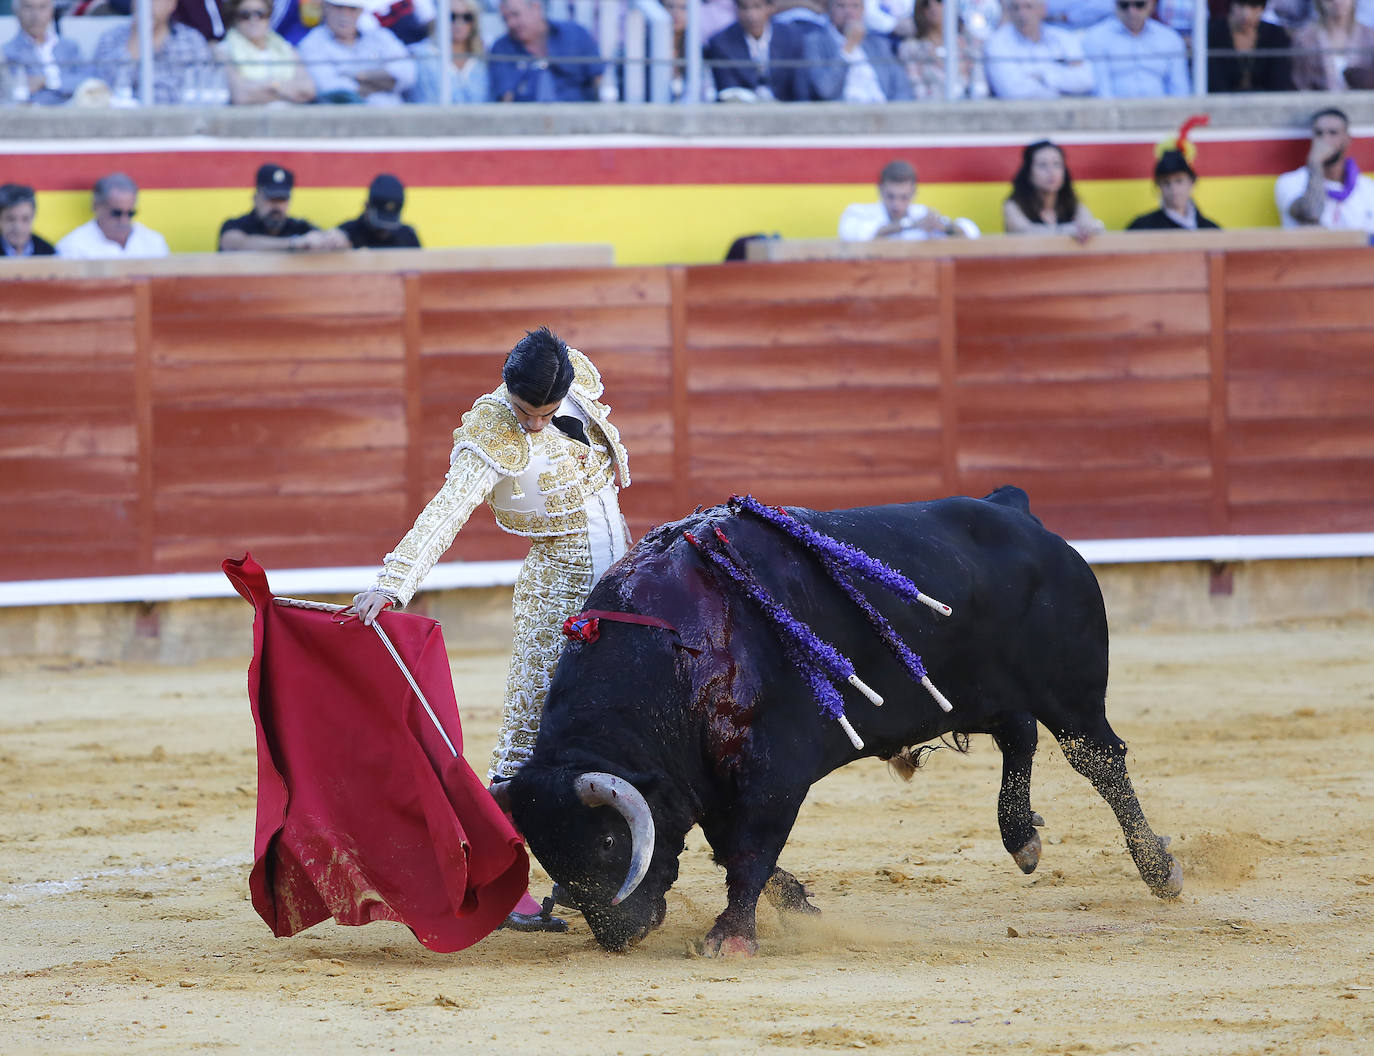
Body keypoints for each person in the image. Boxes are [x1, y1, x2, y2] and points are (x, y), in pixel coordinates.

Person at [351, 327, 632, 932]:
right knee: (527, 732)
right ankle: (497, 877)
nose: (533, 424)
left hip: (624, 582)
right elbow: (447, 511)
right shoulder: (490, 432)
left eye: (546, 413)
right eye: (525, 412)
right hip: (557, 586)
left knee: (612, 721)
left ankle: (583, 858)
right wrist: (394, 582)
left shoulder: (577, 377)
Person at [90, 0, 226, 105]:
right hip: (124, 125)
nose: (147, 4)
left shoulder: (191, 40)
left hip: (180, 126)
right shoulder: (111, 38)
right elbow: (103, 91)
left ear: (172, 4)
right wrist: (139, 35)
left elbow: (203, 92)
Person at [1275, 107, 1374, 233]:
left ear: (1347, 139)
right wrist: (1315, 162)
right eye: (1319, 133)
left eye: (1333, 133)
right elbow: (1311, 214)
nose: (1325, 139)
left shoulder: (1368, 188)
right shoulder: (1290, 182)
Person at [298, 0, 416, 105]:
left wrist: (357, 76)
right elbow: (331, 89)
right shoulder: (312, 43)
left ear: (360, 11)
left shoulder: (379, 35)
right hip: (345, 122)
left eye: (352, 9)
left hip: (395, 117)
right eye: (338, 7)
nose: (344, 15)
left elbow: (407, 74)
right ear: (326, 7)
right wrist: (381, 81)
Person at [488, 0, 603, 102]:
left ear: (536, 8)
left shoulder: (576, 34)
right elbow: (506, 97)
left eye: (515, 14)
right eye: (505, 19)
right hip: (527, 121)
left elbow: (599, 81)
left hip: (579, 119)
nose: (510, 23)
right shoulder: (501, 48)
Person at [838, 159, 979, 241]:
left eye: (904, 197)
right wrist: (910, 224)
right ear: (880, 190)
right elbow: (854, 233)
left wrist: (946, 227)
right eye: (890, 196)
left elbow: (972, 233)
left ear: (914, 194)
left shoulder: (922, 214)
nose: (896, 204)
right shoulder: (858, 212)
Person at [218, 163, 349, 252]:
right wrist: (293, 243)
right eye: (271, 199)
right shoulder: (236, 225)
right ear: (255, 198)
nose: (277, 205)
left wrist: (335, 240)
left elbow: (325, 242)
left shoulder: (300, 227)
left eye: (282, 199)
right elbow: (233, 244)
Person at [801, 0, 914, 101]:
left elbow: (902, 88)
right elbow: (825, 90)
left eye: (855, 6)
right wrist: (847, 48)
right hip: (844, 116)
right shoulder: (815, 42)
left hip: (884, 114)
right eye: (841, 6)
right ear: (829, 10)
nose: (849, 12)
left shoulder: (878, 43)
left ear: (863, 10)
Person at [984, 0, 1096, 99]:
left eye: (1028, 7)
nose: (1022, 14)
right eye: (1016, 8)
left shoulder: (1063, 38)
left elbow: (1087, 80)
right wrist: (1062, 91)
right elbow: (1013, 92)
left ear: (1043, 9)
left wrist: (1043, 77)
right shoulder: (997, 43)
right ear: (1009, 12)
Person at [703, 0, 809, 102]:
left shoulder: (791, 38)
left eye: (757, 6)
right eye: (744, 8)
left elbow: (800, 90)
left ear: (771, 8)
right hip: (741, 115)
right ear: (736, 9)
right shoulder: (721, 42)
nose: (751, 15)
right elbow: (728, 91)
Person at [1081, 0, 1190, 97]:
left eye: (1139, 4)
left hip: (1163, 113)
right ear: (1115, 5)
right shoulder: (1096, 37)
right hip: (1115, 114)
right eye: (1124, 5)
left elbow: (1179, 88)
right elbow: (1101, 89)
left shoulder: (1170, 38)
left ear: (1152, 4)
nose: (1132, 12)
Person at [1002, 140, 1103, 242]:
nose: (1051, 172)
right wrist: (1067, 231)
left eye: (1056, 164)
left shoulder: (1072, 202)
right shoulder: (1014, 204)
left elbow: (1089, 226)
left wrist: (1088, 229)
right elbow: (1024, 232)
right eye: (1042, 165)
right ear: (1028, 173)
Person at [217, 0, 317, 104]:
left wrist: (273, 85)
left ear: (269, 17)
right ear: (235, 18)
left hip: (290, 117)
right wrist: (287, 90)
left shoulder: (286, 48)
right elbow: (241, 96)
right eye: (245, 15)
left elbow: (308, 91)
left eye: (260, 14)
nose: (253, 20)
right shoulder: (224, 51)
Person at [56, 173, 171, 260]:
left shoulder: (154, 242)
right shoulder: (72, 247)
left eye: (130, 213)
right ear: (97, 206)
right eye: (117, 213)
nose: (124, 220)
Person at [898, 0, 989, 101]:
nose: (933, 6)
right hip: (929, 112)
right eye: (926, 3)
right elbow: (916, 90)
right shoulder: (910, 48)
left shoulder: (969, 44)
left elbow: (980, 87)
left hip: (970, 111)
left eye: (939, 1)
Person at [3, 0, 86, 105]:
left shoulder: (70, 47)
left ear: (51, 11)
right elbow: (13, 94)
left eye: (42, 7)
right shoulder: (7, 53)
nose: (36, 15)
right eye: (28, 7)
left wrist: (46, 81)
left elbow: (87, 81)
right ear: (17, 12)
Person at [407, 0, 488, 103]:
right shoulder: (423, 56)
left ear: (474, 22)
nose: (459, 23)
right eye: (452, 16)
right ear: (441, 20)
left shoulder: (482, 59)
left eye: (467, 17)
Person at [1206, 0, 1294, 92]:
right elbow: (1213, 81)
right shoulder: (1211, 33)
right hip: (1219, 103)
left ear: (1262, 9)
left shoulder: (1276, 35)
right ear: (1232, 5)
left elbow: (1279, 81)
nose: (1246, 15)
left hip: (1266, 103)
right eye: (1240, 6)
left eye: (1254, 7)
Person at [1290, 0, 1374, 90]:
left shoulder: (1370, 36)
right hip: (1318, 102)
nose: (1337, 2)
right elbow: (1301, 83)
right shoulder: (1305, 39)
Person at [1127, 154, 1221, 231]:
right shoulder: (1142, 227)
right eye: (1166, 183)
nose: (1173, 189)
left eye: (1179, 181)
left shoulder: (1210, 229)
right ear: (1159, 187)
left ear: (1192, 182)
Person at [336, 173, 422, 248]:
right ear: (367, 207)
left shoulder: (407, 237)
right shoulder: (346, 234)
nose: (385, 230)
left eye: (390, 223)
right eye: (379, 225)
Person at [0, 183, 55, 256]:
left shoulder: (49, 253)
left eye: (25, 219)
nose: (18, 226)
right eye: (11, 219)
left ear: (33, 217)